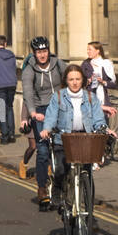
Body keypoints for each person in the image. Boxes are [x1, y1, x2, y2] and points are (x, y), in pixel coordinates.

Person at [39, 63, 107, 211]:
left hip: (84, 139)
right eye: (71, 79)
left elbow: (98, 119)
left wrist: (104, 129)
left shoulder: (90, 97)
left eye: (77, 79)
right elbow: (50, 116)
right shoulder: (58, 96)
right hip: (63, 139)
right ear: (66, 81)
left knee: (87, 172)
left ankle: (88, 205)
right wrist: (47, 129)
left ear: (83, 80)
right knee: (62, 170)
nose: (75, 82)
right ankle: (57, 189)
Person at [20, 36, 66, 199]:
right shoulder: (29, 70)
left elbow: (72, 76)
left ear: (49, 51)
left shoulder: (58, 64)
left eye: (44, 51)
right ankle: (41, 188)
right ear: (34, 53)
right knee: (43, 150)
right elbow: (28, 93)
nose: (42, 55)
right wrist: (32, 113)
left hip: (61, 107)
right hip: (41, 111)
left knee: (63, 147)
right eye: (39, 52)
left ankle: (62, 185)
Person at [81, 41, 116, 106]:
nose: (88, 52)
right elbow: (79, 81)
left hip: (103, 100)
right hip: (88, 100)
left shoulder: (107, 63)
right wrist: (88, 81)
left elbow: (113, 85)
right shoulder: (85, 64)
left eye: (90, 50)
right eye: (87, 50)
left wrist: (102, 82)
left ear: (97, 51)